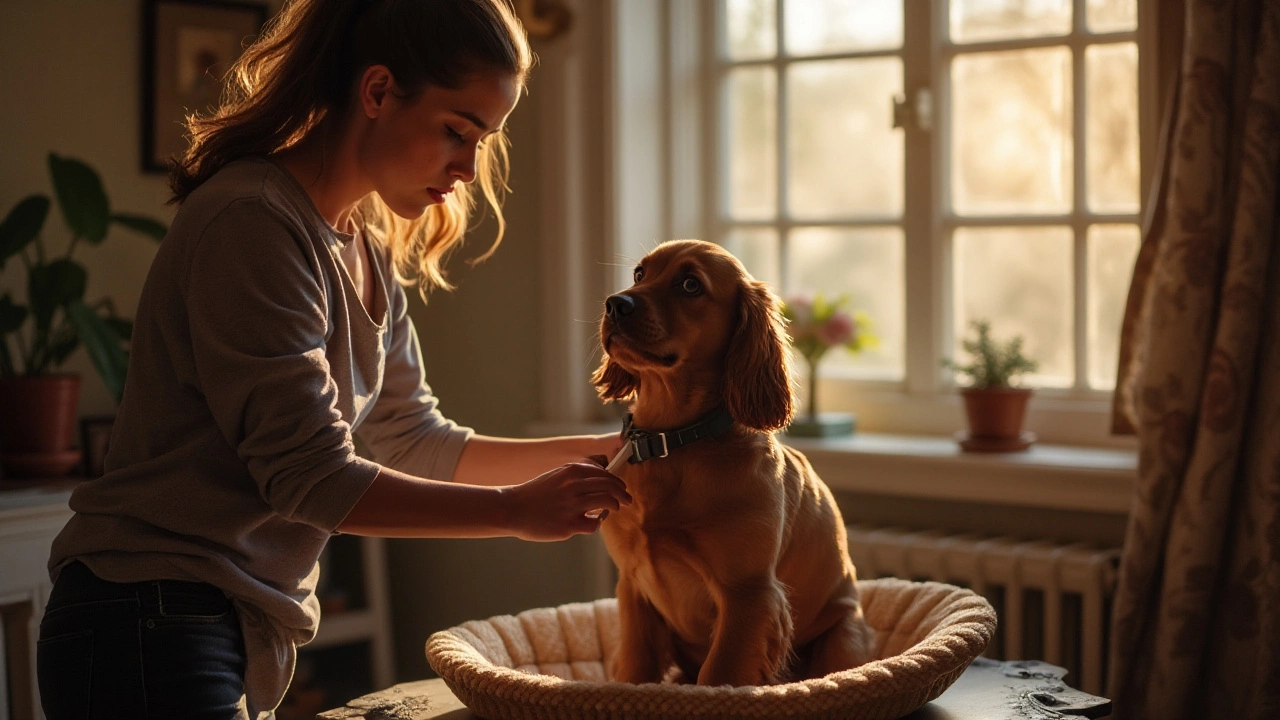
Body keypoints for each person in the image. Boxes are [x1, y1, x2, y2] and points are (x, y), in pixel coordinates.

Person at [36, 1, 629, 718]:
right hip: (144, 615)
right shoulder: (251, 221)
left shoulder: (365, 248)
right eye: (456, 131)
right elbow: (310, 478)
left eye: (483, 141)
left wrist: (609, 452)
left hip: (217, 618)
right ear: (377, 91)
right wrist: (512, 511)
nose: (469, 169)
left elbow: (413, 439)